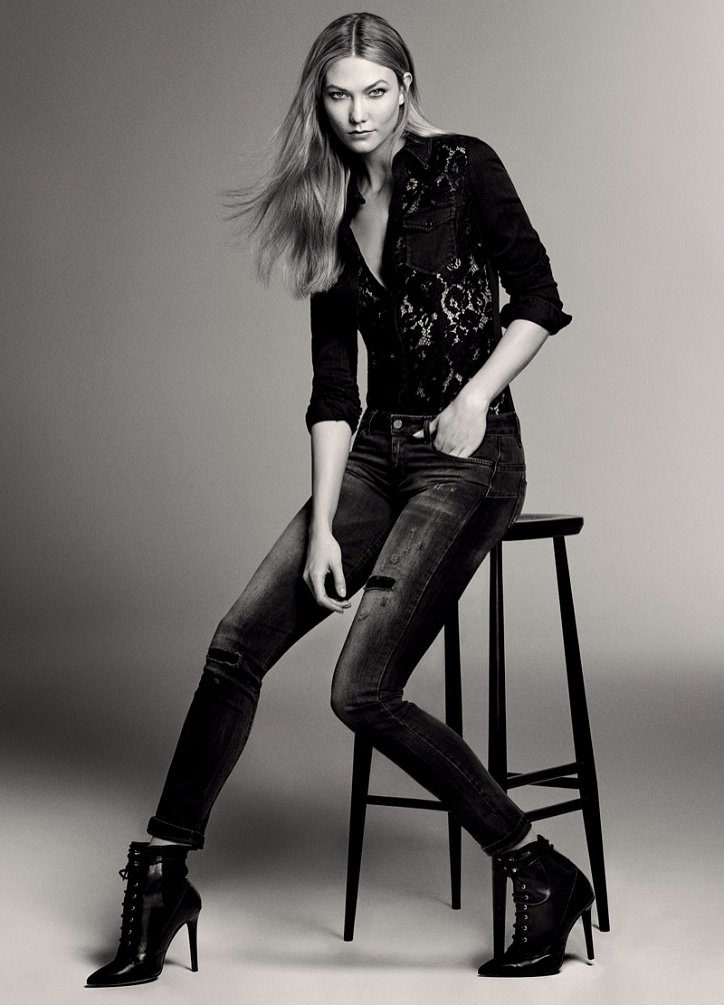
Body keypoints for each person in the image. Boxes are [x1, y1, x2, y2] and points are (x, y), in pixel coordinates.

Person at [86, 11, 594, 988]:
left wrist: (474, 400)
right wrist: (323, 524)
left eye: (374, 91)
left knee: (360, 689)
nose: (357, 112)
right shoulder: (327, 203)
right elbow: (333, 390)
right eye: (337, 94)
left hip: (468, 458)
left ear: (405, 88)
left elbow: (538, 297)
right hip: (372, 459)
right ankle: (162, 874)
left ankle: (539, 868)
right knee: (236, 643)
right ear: (316, 102)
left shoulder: (464, 168)